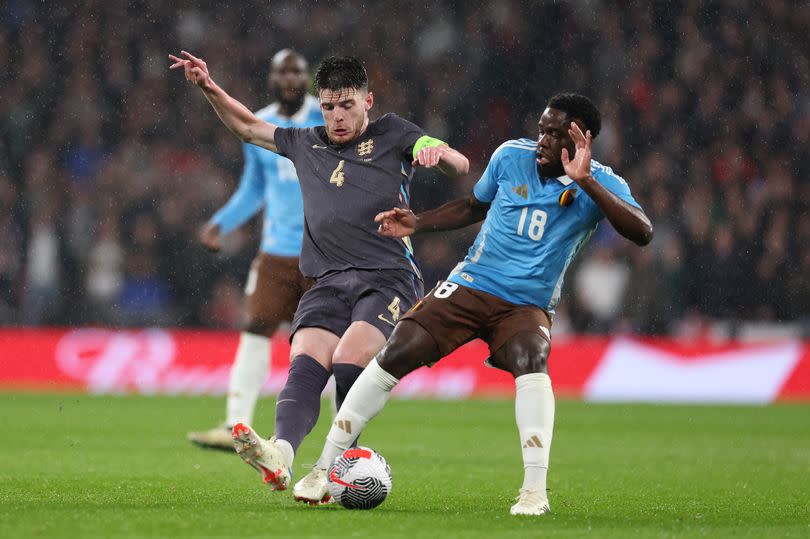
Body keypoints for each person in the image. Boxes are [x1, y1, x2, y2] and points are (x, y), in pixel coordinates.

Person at [306, 93, 653, 515]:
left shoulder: (600, 181)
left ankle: (534, 492)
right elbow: (474, 206)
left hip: (526, 304)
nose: (542, 139)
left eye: (554, 133)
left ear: (581, 138)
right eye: (541, 129)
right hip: (471, 284)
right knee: (399, 348)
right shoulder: (510, 156)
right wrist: (419, 221)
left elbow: (642, 233)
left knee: (533, 356)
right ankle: (323, 467)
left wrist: (587, 182)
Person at [168, 51, 469, 500]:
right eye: (328, 107)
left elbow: (459, 165)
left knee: (349, 359)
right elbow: (248, 127)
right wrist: (208, 87)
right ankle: (281, 455)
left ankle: (329, 468)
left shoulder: (395, 133)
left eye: (347, 105)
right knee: (305, 363)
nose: (337, 117)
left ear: (368, 100)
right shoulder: (306, 143)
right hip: (326, 281)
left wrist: (435, 150)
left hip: (387, 278)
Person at [186, 50, 322, 451]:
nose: (290, 78)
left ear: (306, 78)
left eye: (297, 70)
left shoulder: (329, 119)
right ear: (273, 78)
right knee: (255, 328)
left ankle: (339, 437)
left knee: (328, 342)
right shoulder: (260, 124)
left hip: (324, 254)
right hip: (277, 252)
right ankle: (236, 427)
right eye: (283, 71)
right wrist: (221, 223)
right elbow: (254, 189)